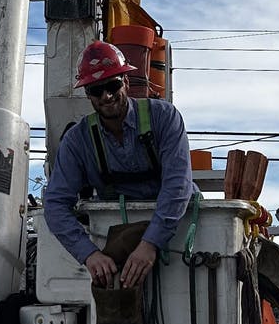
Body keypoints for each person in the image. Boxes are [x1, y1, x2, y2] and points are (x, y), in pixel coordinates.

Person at [45, 40, 194, 289]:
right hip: (116, 243)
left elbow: (178, 185)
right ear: (87, 93)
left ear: (126, 81)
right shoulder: (77, 141)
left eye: (113, 85)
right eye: (96, 90)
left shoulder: (164, 118)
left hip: (179, 239)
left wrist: (150, 244)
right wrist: (90, 254)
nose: (106, 95)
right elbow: (55, 204)